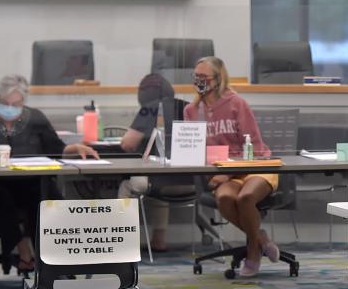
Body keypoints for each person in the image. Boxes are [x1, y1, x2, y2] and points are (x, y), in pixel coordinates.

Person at [0, 74, 98, 273]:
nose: (10, 107)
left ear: (24, 102)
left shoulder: (36, 118)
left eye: (16, 103)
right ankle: (21, 245)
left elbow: (56, 148)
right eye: (5, 103)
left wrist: (75, 148)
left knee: (45, 197)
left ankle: (55, 260)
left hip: (30, 182)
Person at [183, 56, 278, 277]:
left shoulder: (236, 103)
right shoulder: (191, 111)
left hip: (255, 166)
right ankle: (261, 238)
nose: (199, 81)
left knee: (246, 198)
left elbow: (253, 146)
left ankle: (253, 253)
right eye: (196, 77)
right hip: (223, 173)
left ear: (218, 79)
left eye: (203, 77)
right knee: (225, 199)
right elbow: (194, 149)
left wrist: (226, 175)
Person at [118, 74, 188, 253]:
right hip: (191, 181)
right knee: (159, 179)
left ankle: (122, 240)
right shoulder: (187, 106)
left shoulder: (149, 109)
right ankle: (159, 239)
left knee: (130, 185)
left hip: (159, 181)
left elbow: (128, 144)